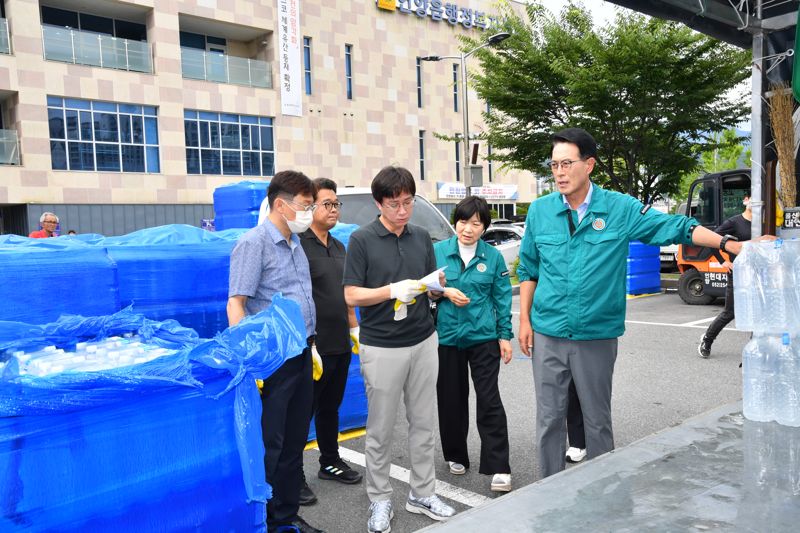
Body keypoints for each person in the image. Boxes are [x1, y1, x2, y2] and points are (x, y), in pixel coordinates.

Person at [518, 127, 755, 479]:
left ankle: (602, 495)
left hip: (596, 335)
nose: (559, 172)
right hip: (548, 332)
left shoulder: (619, 208)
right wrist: (524, 320)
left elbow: (675, 227)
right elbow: (529, 268)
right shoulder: (540, 211)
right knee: (549, 419)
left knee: (597, 422)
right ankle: (548, 492)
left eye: (567, 163)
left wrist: (728, 244)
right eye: (554, 165)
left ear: (590, 165)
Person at [343, 166, 456, 533]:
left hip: (423, 339)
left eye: (408, 203)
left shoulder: (421, 236)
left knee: (423, 423)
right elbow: (351, 294)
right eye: (395, 204)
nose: (403, 211)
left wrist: (435, 285)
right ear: (379, 203)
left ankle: (422, 493)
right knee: (380, 429)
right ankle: (380, 498)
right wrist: (392, 290)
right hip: (382, 346)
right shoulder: (361, 239)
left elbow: (430, 281)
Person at [227, 170, 323, 533]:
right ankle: (264, 521)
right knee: (272, 445)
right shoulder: (254, 243)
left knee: (295, 442)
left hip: (301, 353)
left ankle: (285, 516)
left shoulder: (296, 243)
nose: (309, 213)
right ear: (281, 205)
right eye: (305, 205)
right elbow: (236, 304)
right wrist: (249, 361)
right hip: (272, 360)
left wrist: (310, 345)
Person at [432, 195, 514, 492]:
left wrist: (504, 336)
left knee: (489, 399)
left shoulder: (492, 258)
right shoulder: (438, 251)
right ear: (456, 222)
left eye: (476, 223)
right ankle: (455, 454)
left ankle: (499, 466)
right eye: (463, 221)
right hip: (448, 338)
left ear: (484, 228)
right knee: (451, 399)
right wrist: (442, 292)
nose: (468, 228)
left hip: (483, 339)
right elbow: (426, 289)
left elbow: (502, 299)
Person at [299, 178, 362, 503]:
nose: (334, 209)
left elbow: (347, 294)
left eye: (337, 203)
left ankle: (330, 461)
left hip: (338, 342)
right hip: (311, 346)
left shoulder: (339, 247)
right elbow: (293, 297)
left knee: (330, 407)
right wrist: (305, 342)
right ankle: (292, 476)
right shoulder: (299, 245)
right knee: (301, 411)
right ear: (311, 207)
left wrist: (355, 329)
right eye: (328, 203)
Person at [698, 194, 753, 358]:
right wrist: (723, 261)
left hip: (757, 274)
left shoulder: (762, 223)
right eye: (752, 198)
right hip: (738, 274)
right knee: (730, 312)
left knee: (758, 310)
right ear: (745, 200)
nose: (754, 202)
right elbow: (712, 240)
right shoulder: (734, 222)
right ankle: (707, 339)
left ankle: (755, 348)